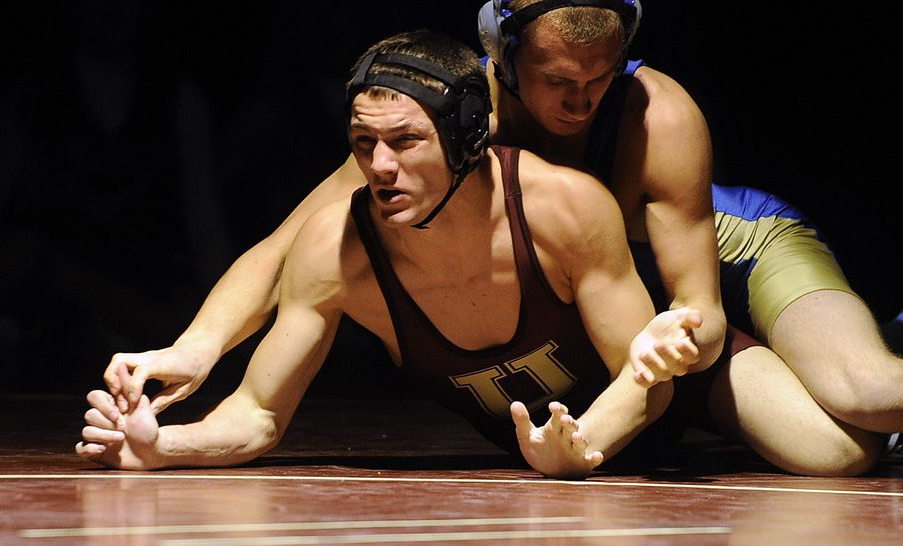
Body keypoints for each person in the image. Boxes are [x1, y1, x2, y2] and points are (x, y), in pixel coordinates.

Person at [80, 30, 878, 478]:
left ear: (468, 140)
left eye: (402, 143)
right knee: (846, 453)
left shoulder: (569, 202)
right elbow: (258, 405)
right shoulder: (342, 242)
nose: (379, 168)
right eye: (362, 144)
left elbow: (654, 374)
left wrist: (582, 452)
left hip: (693, 320)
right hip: (610, 385)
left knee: (853, 423)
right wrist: (165, 437)